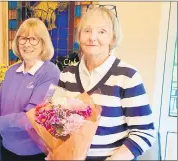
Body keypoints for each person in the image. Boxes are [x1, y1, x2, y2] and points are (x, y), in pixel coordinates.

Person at [57, 4, 155, 161]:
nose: (92, 37)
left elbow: (144, 132)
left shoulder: (127, 76)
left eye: (101, 32)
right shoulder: (67, 74)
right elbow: (57, 122)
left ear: (113, 38)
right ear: (79, 36)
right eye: (87, 30)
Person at [0, 18, 60, 161]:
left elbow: (32, 117)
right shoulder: (11, 71)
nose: (27, 44)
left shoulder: (50, 72)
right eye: (23, 38)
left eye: (33, 39)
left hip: (35, 153)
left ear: (43, 43)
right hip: (7, 148)